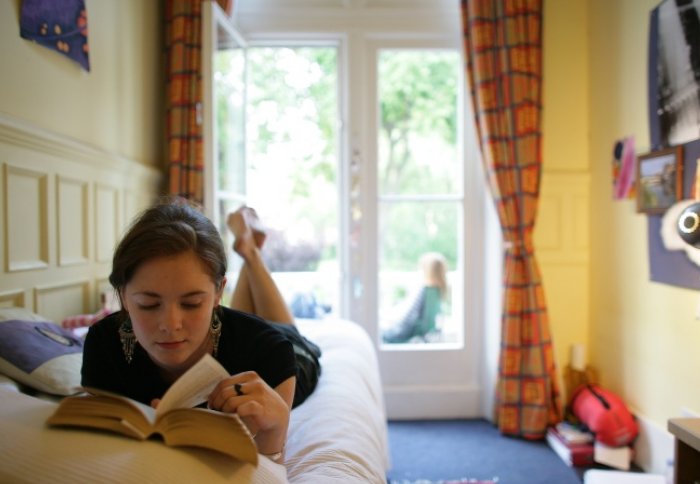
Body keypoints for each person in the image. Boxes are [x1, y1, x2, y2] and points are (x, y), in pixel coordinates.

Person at [81, 197, 321, 462]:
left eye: (191, 303)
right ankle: (248, 247)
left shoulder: (269, 353)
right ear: (124, 297)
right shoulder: (103, 343)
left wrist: (274, 432)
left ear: (219, 292)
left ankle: (251, 252)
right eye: (148, 304)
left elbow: (268, 464)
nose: (171, 325)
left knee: (284, 328)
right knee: (242, 322)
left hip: (293, 350)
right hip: (230, 325)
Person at [381, 252, 448, 344]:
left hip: (403, 334)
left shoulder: (424, 291)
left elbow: (408, 318)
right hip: (418, 334)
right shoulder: (438, 292)